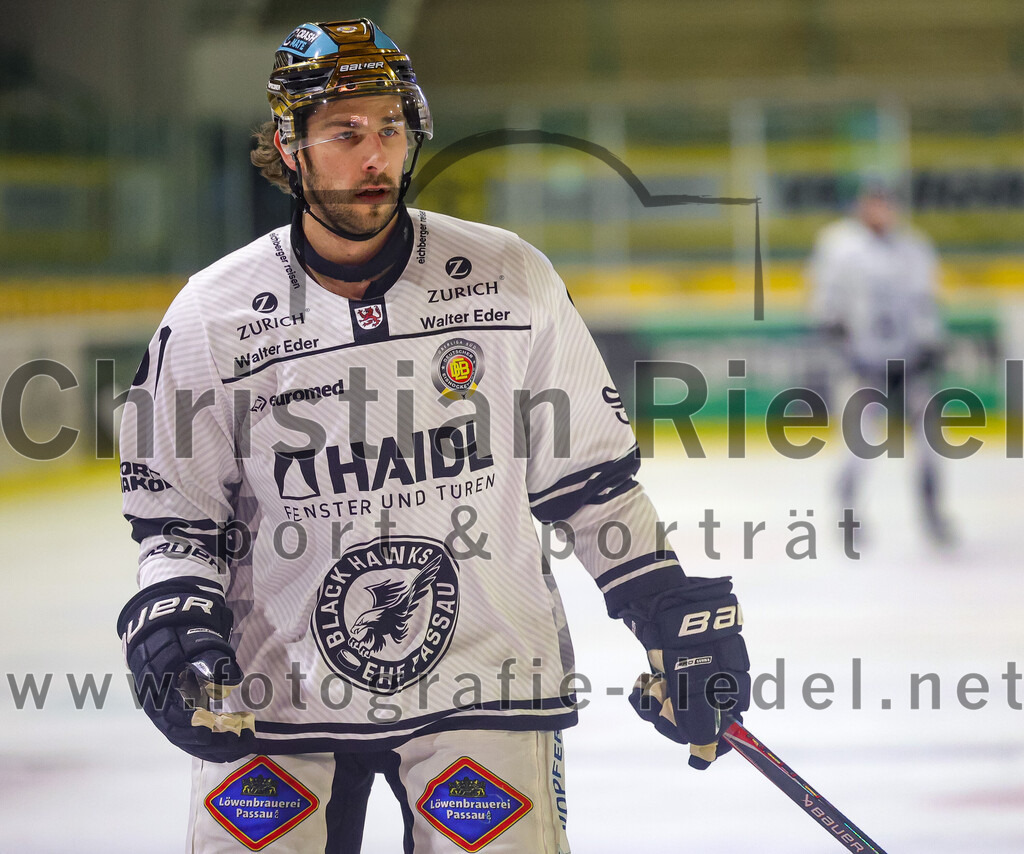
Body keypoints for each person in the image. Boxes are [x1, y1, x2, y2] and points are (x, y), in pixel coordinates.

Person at [117, 19, 750, 853]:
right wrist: (172, 621)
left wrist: (663, 605)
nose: (375, 155)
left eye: (390, 128)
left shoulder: (509, 275)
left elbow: (591, 482)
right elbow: (179, 523)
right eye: (345, 133)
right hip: (275, 693)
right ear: (290, 145)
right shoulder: (211, 312)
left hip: (483, 681)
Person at [809, 180, 953, 544]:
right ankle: (848, 516)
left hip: (908, 360)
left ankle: (932, 512)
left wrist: (930, 343)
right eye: (873, 203)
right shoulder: (840, 245)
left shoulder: (913, 247)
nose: (880, 211)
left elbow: (925, 301)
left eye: (885, 204)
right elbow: (826, 302)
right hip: (863, 361)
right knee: (860, 445)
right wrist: (840, 342)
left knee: (930, 441)